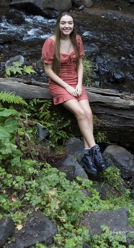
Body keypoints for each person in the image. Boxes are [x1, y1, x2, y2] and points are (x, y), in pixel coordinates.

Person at [42, 12, 107, 176]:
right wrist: (68, 88)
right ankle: (95, 150)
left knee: (88, 113)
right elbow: (48, 71)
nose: (66, 26)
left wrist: (78, 84)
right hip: (59, 84)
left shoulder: (76, 39)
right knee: (80, 112)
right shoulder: (50, 42)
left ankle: (87, 154)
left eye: (69, 23)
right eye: (63, 23)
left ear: (73, 25)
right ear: (58, 24)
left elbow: (80, 65)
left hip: (75, 82)